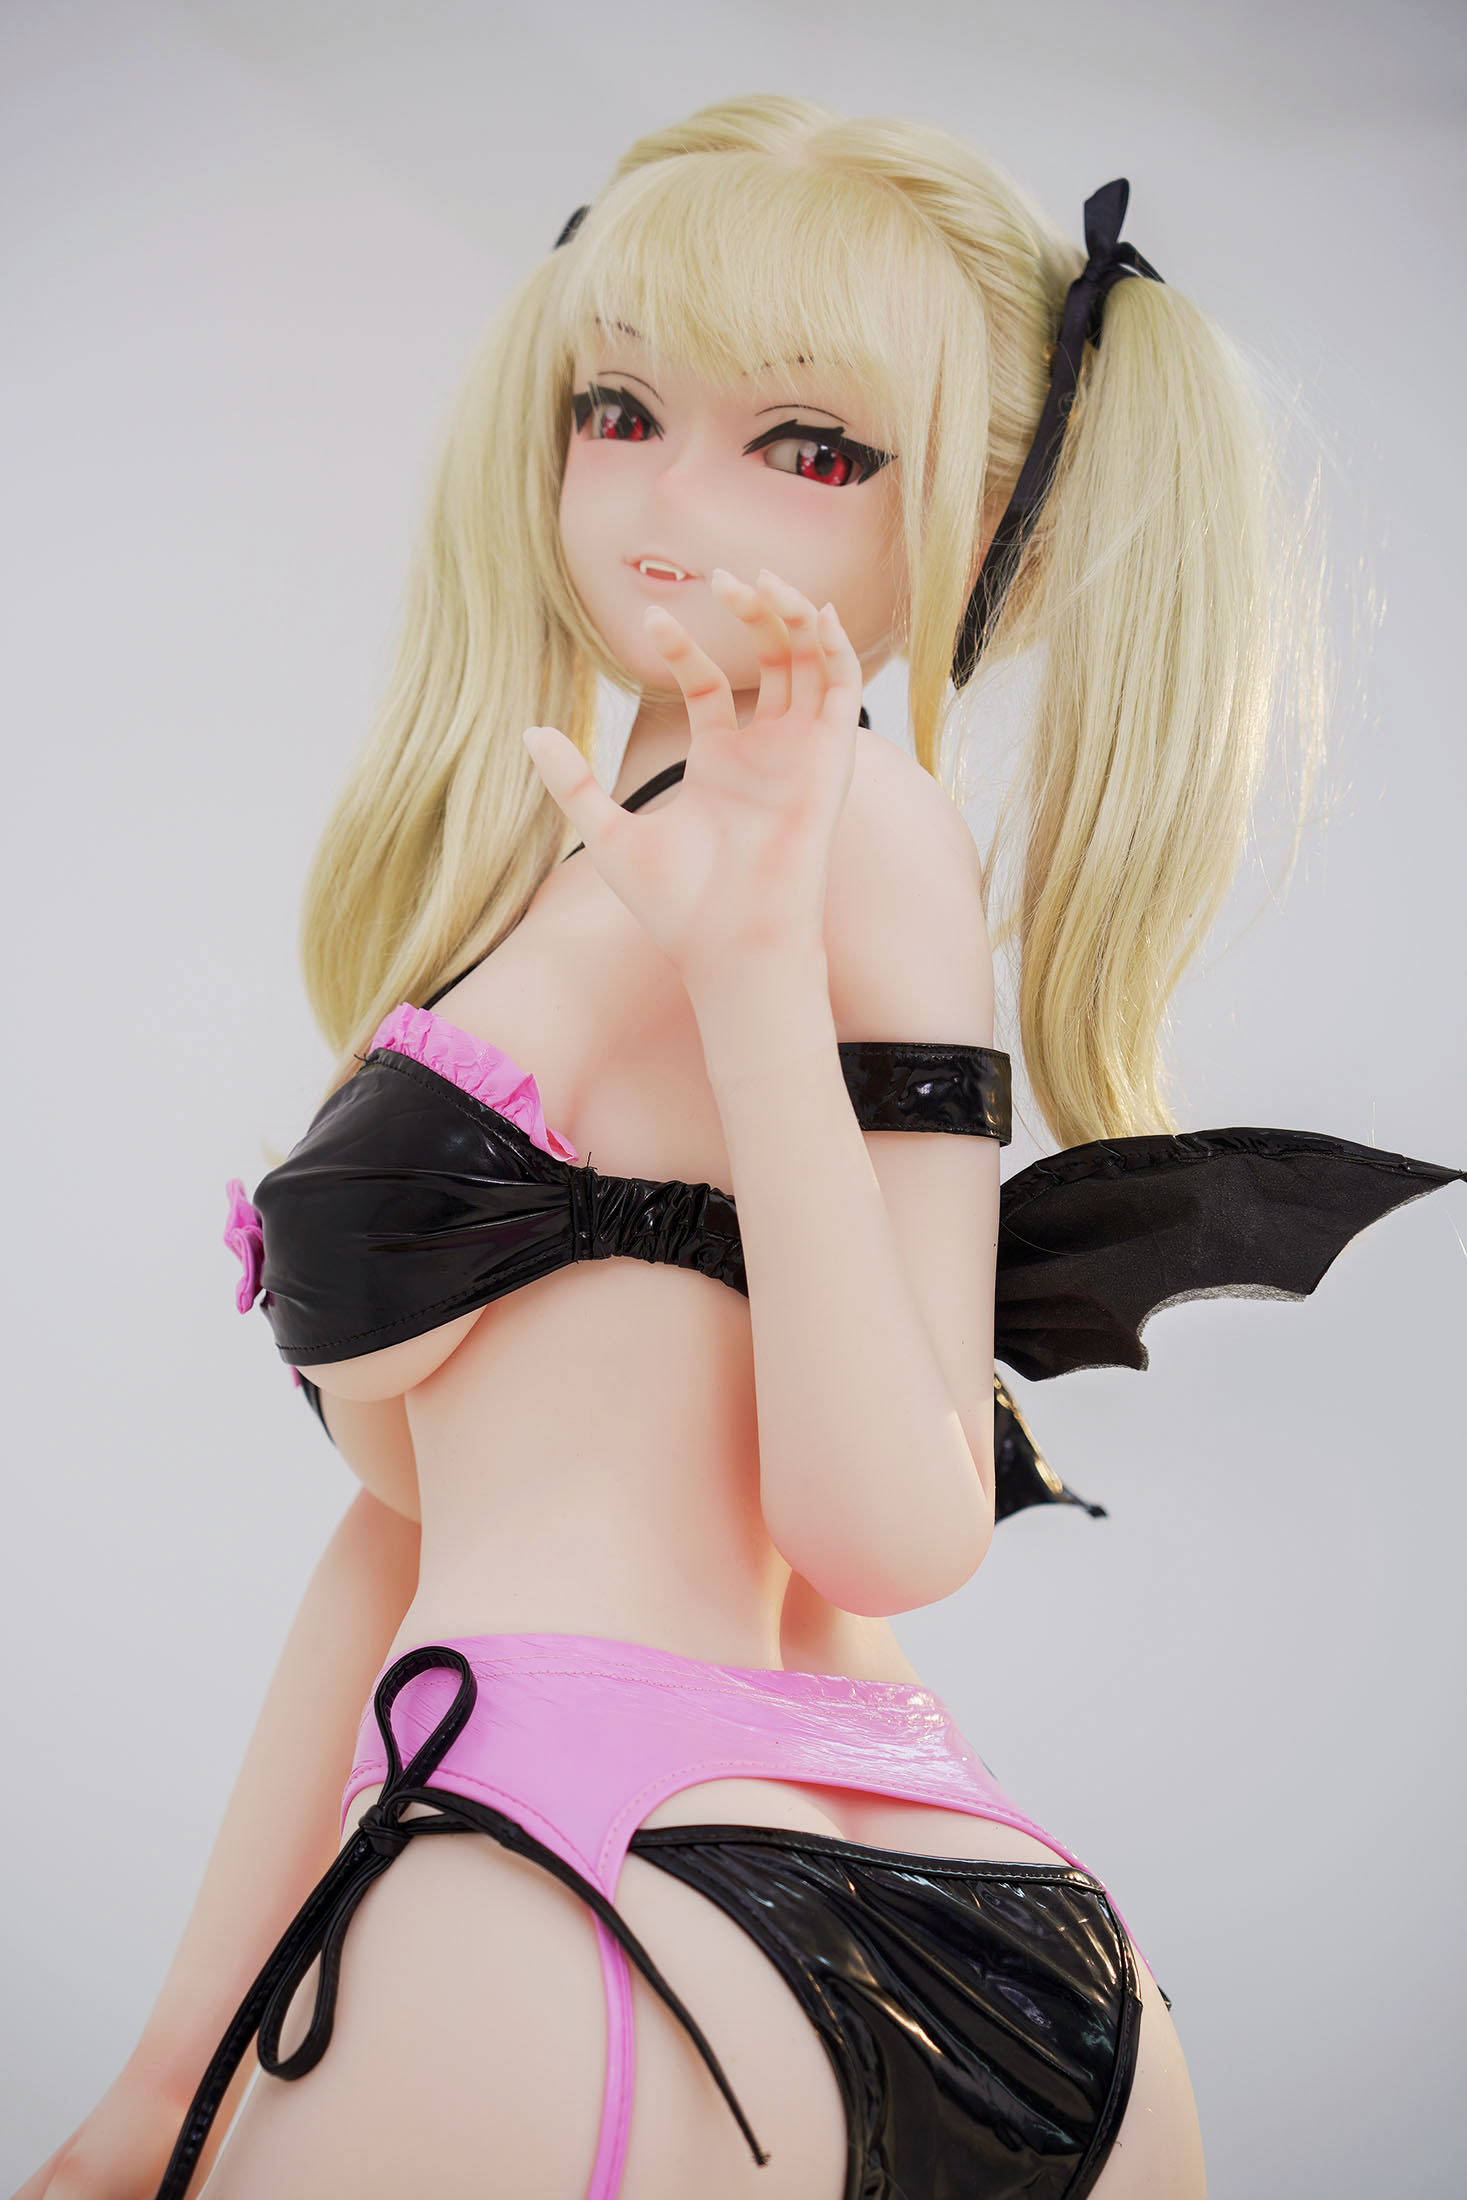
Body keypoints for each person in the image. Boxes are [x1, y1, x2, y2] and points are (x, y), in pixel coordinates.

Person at [18, 95, 1462, 2200]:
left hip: (572, 1890)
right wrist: (168, 2073)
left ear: (980, 514)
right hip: (747, 1874)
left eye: (809, 447)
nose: (671, 499)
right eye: (618, 410)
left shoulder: (855, 837)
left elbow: (891, 1530)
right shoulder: (596, 854)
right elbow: (399, 1543)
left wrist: (761, 984)